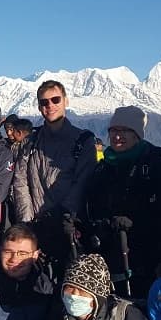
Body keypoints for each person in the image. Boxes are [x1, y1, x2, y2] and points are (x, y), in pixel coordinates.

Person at [73, 106, 161, 300]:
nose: (117, 136)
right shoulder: (103, 167)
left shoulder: (154, 164)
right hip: (108, 252)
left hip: (144, 255)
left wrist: (136, 223)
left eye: (124, 131)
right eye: (113, 131)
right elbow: (89, 206)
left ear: (137, 134)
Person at [12, 81, 96, 266]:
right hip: (35, 226)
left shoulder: (83, 141)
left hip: (70, 227)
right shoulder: (30, 142)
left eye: (55, 99)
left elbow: (83, 181)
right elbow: (20, 181)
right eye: (44, 102)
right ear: (39, 107)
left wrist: (63, 214)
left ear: (66, 101)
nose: (50, 105)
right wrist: (27, 222)